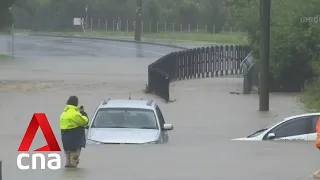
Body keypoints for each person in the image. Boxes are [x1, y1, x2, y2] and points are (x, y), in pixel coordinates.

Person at [60, 96, 88, 168]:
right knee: (73, 163)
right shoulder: (75, 114)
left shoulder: (63, 114)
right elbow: (84, 122)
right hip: (75, 140)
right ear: (76, 103)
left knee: (68, 163)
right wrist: (83, 113)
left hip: (65, 141)